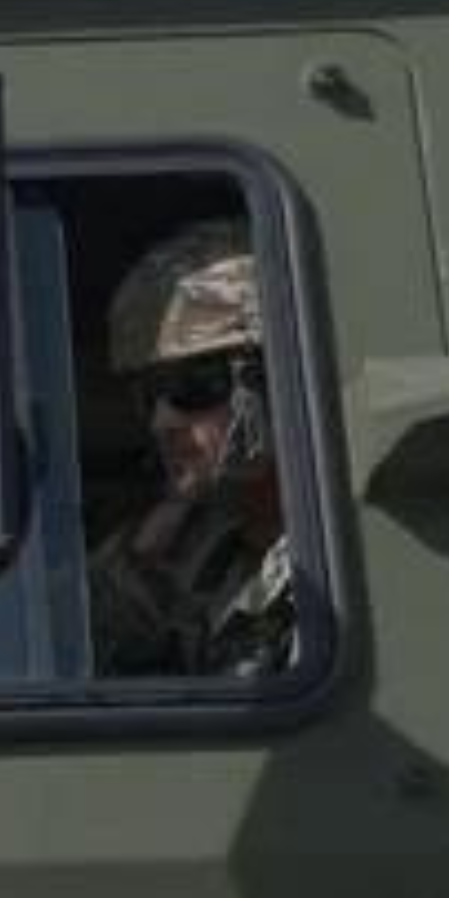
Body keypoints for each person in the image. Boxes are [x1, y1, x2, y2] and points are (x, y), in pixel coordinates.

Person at [86, 218, 299, 679]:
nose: (163, 421)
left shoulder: (341, 551)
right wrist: (136, 564)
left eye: (191, 384)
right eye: (149, 394)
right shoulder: (179, 547)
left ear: (271, 378)